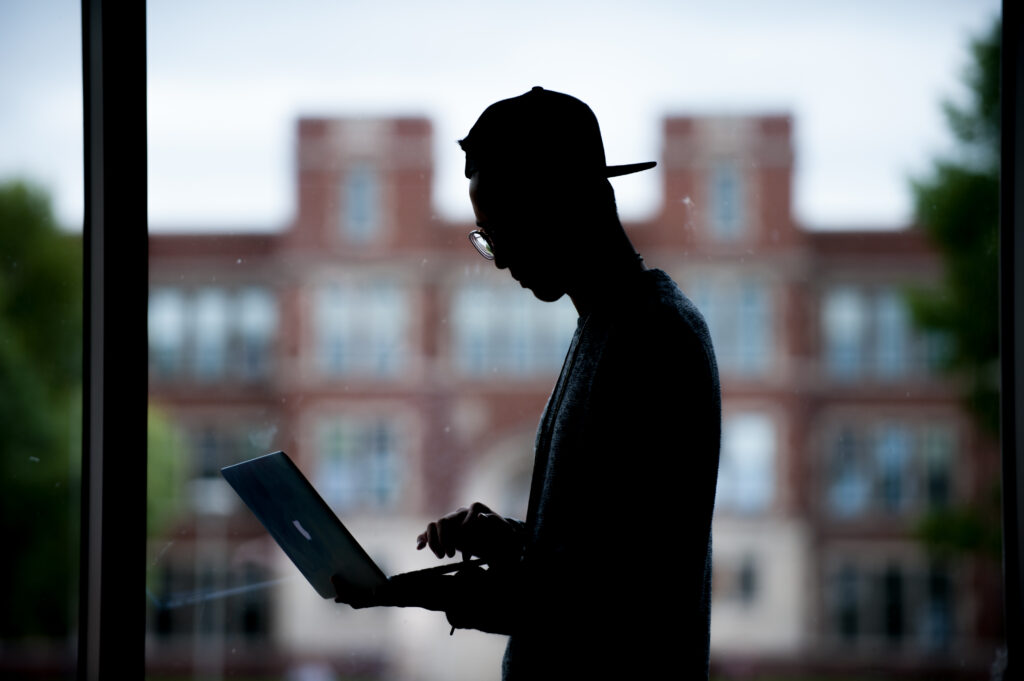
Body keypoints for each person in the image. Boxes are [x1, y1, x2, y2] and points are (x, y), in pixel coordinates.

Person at [333, 86, 721, 680]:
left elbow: (619, 598)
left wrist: (430, 595)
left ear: (570, 202)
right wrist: (513, 540)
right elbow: (598, 553)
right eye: (489, 238)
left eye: (507, 228)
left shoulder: (654, 339)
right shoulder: (611, 329)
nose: (502, 259)